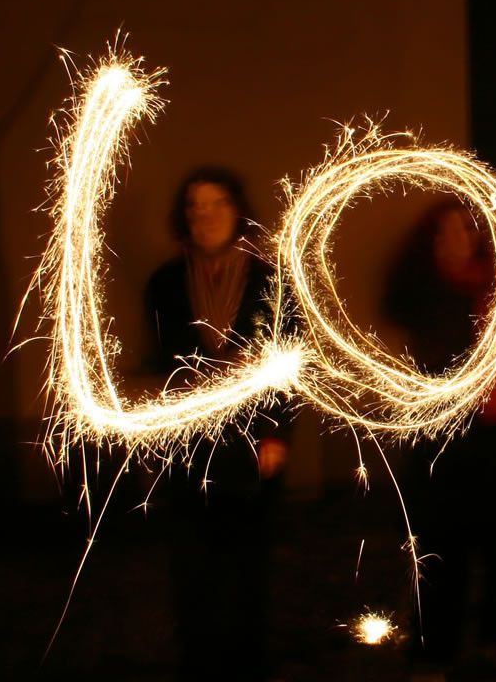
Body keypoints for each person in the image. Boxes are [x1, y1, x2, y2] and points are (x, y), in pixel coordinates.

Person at [385, 200, 496, 682]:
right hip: (447, 442)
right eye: (448, 230)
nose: (461, 237)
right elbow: (437, 361)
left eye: (467, 228)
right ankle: (434, 654)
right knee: (442, 551)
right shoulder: (423, 292)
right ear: (431, 239)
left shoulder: (495, 284)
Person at [145, 167, 290, 682]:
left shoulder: (269, 281)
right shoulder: (164, 284)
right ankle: (200, 666)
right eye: (194, 206)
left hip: (249, 447)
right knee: (191, 573)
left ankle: (249, 666)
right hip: (186, 448)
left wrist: (275, 434)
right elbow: (162, 364)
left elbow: (288, 364)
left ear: (237, 210)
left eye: (216, 204)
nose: (204, 216)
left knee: (247, 571)